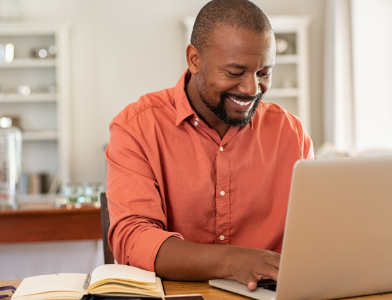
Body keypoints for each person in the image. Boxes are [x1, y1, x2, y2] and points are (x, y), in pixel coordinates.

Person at [105, 0, 314, 290]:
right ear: (194, 59)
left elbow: (314, 235)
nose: (252, 89)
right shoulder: (137, 127)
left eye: (263, 73)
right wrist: (233, 260)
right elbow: (133, 239)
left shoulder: (291, 133)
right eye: (235, 72)